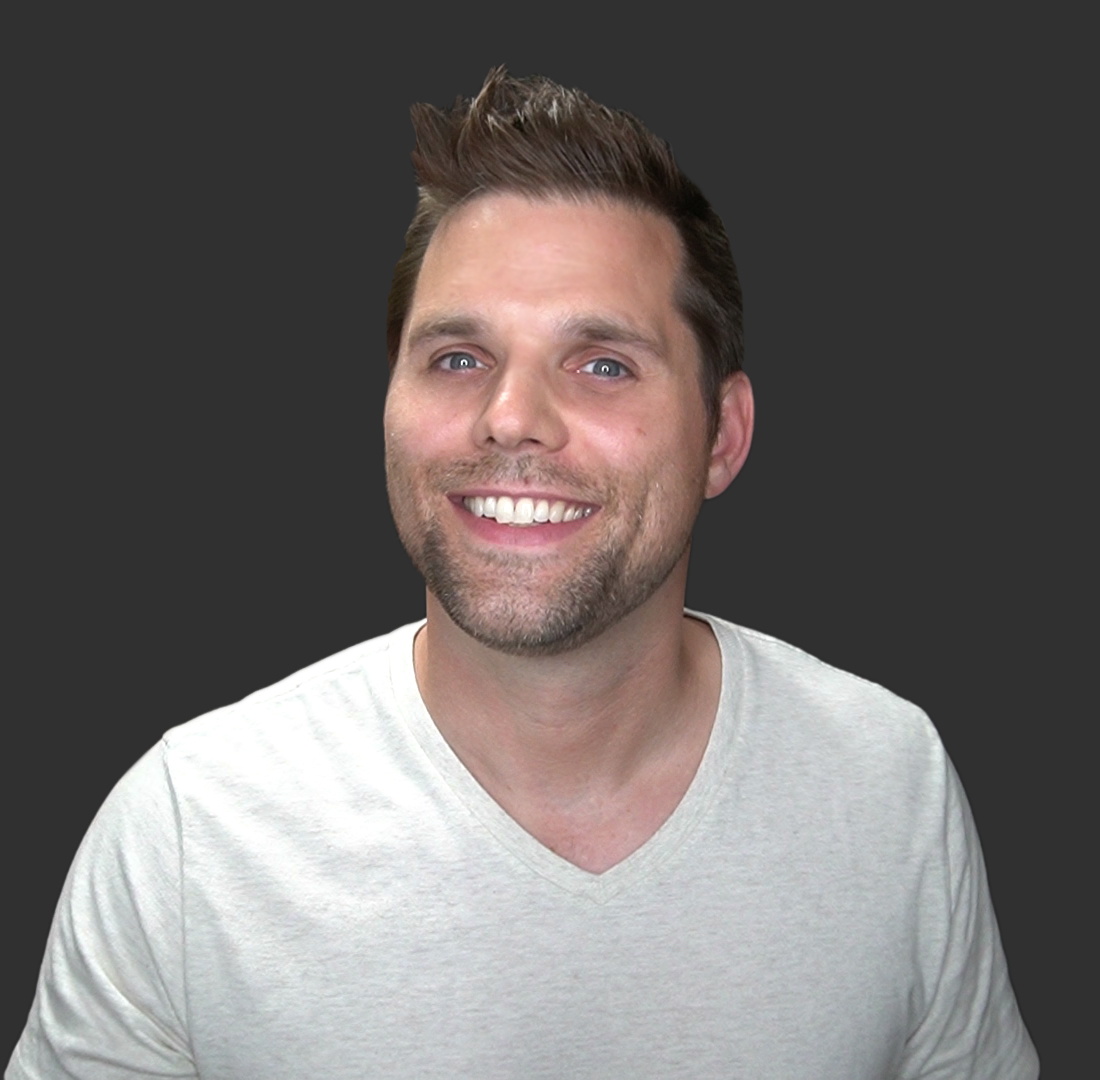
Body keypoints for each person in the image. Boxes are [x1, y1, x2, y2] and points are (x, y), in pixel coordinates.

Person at [8, 67, 1038, 1079]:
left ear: (721, 437)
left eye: (602, 364)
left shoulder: (888, 784)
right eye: (458, 358)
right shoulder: (189, 835)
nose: (509, 418)